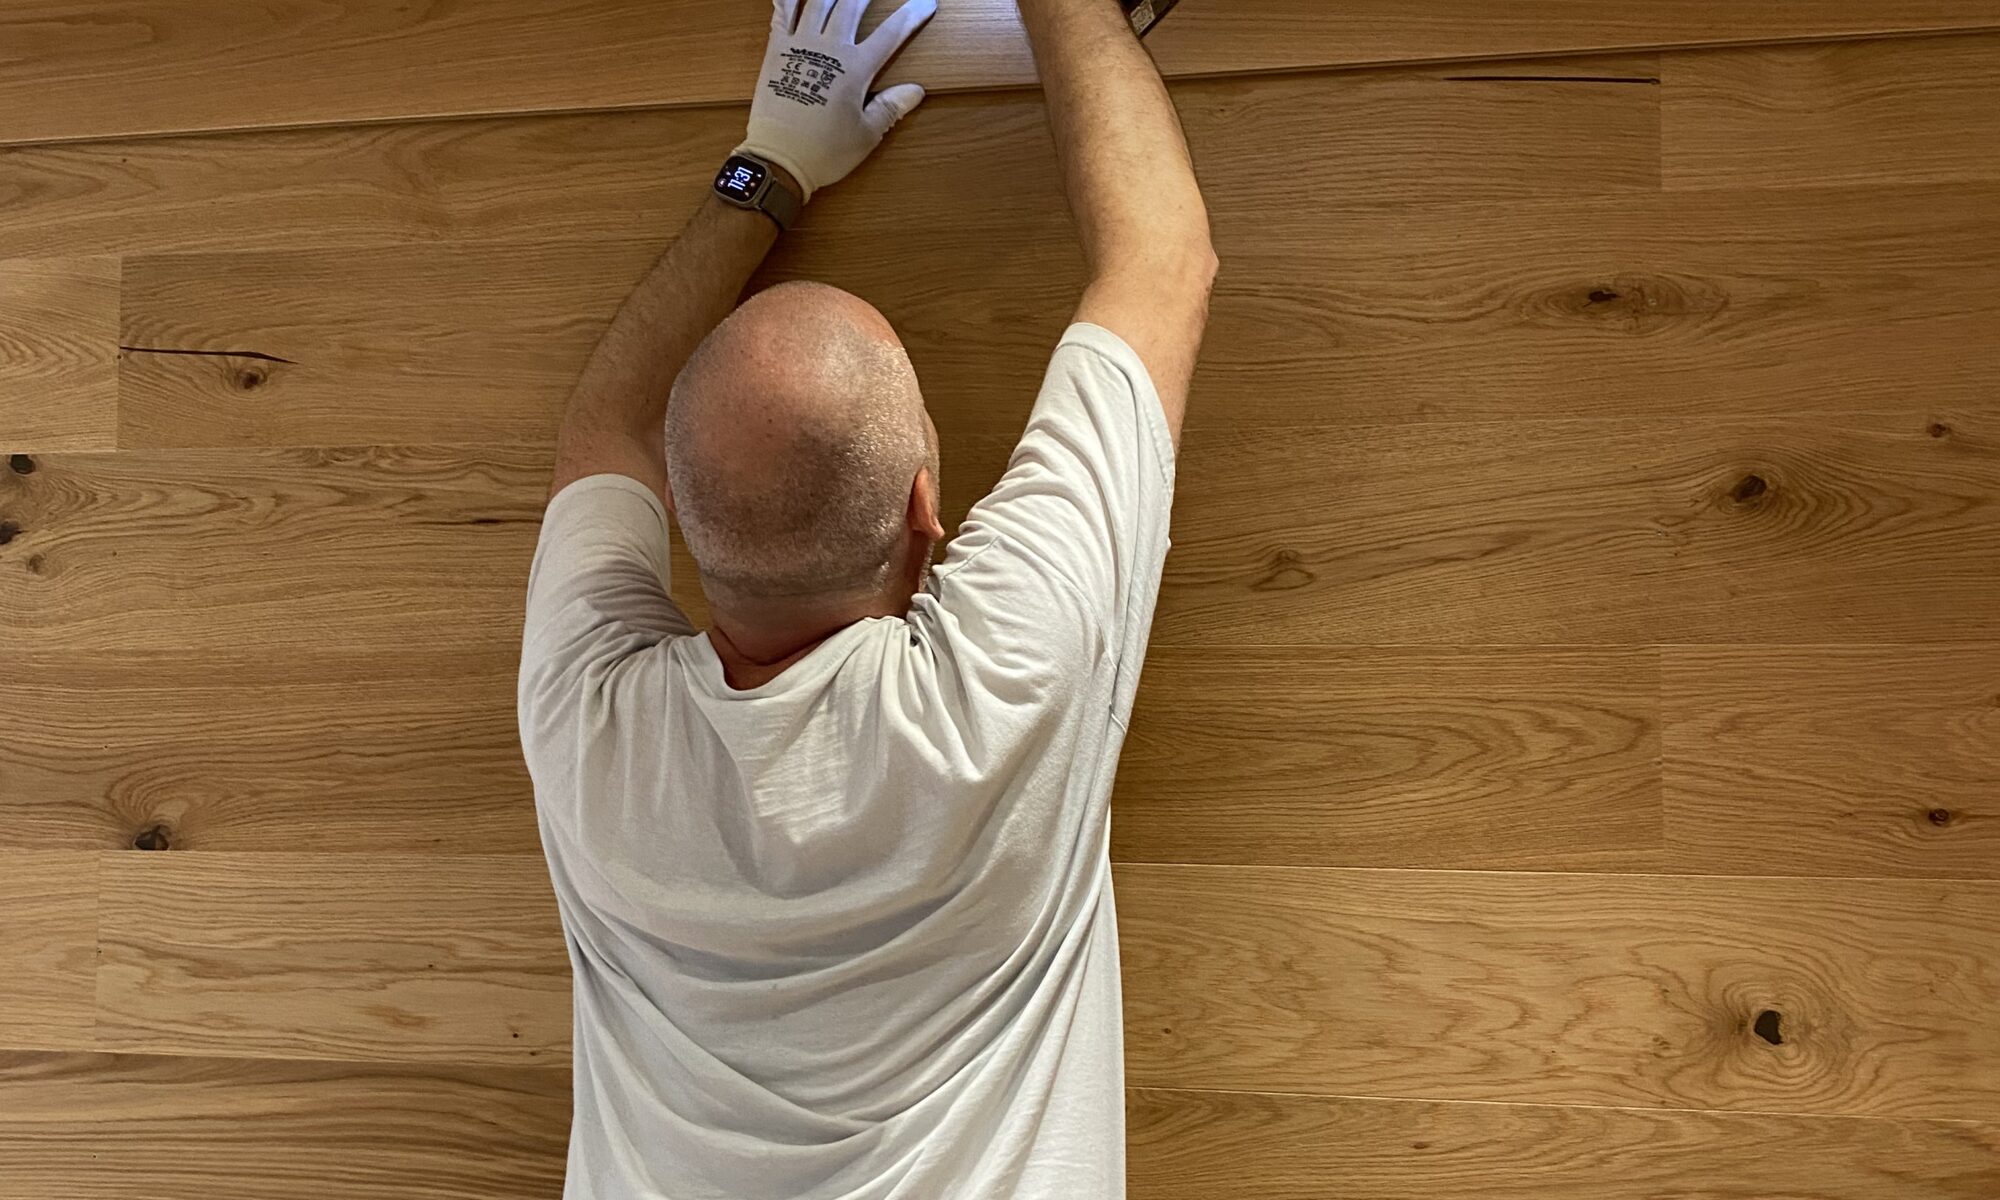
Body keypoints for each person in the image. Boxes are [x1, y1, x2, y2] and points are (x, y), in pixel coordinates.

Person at [516, 0, 1215, 1194]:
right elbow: (1159, 263)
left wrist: (768, 166)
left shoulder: (585, 729)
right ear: (925, 512)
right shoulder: (1004, 678)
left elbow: (602, 431)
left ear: (676, 520)